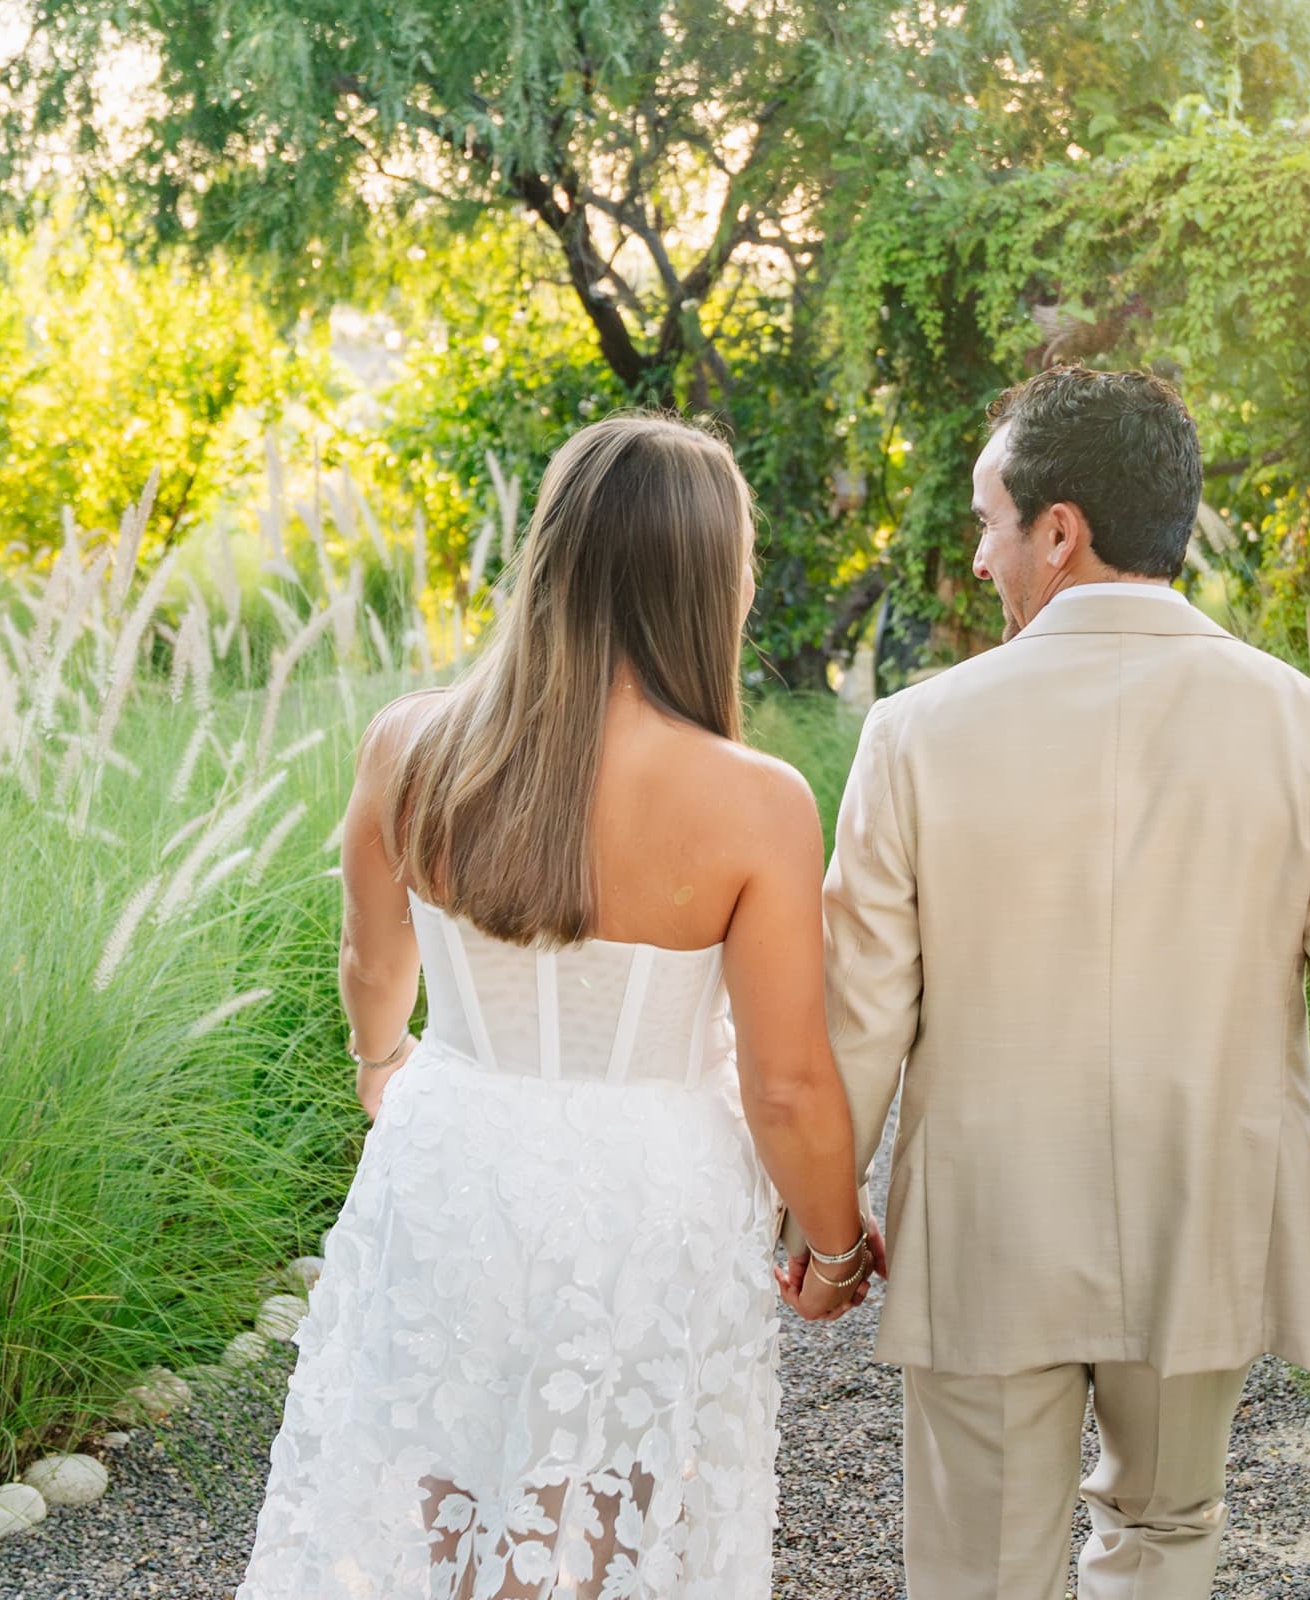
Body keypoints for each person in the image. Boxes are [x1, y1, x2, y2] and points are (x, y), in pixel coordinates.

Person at [810, 365, 1310, 1600]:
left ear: (1060, 532)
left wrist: (822, 1229)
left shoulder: (914, 731)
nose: (982, 555)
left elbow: (860, 1012)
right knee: (1169, 1531)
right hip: (1206, 1198)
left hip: (989, 1216)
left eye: (988, 523)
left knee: (979, 1568)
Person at [238, 413, 878, 1600]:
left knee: (440, 1482)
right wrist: (834, 1243)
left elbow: (372, 961)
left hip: (455, 1155)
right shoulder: (757, 802)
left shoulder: (412, 745)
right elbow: (784, 1083)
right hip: (643, 1189)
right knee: (594, 1517)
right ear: (700, 580)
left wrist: (385, 1065)